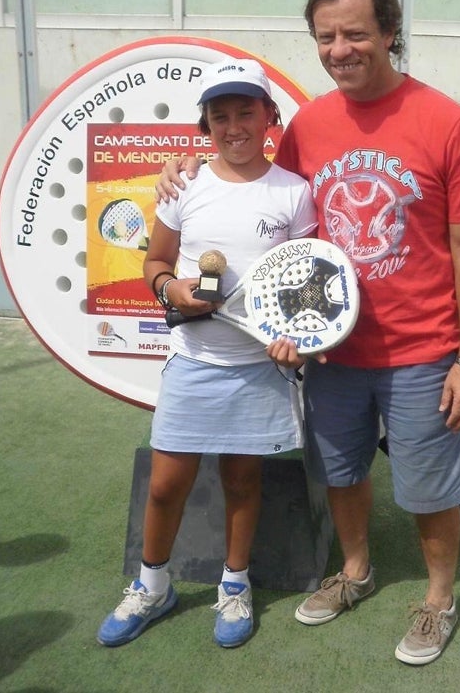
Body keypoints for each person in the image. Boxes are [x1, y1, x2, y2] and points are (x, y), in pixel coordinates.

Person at [156, 0, 460, 665]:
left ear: (389, 32)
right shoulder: (309, 123)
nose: (340, 48)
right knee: (341, 472)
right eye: (326, 36)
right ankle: (356, 571)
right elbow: (263, 195)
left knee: (428, 486)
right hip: (329, 347)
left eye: (355, 33)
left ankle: (436, 600)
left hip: (422, 347)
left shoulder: (445, 120)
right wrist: (186, 165)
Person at [96, 58, 317, 649]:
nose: (234, 125)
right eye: (220, 116)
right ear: (206, 126)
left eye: (246, 111)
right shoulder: (184, 184)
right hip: (195, 362)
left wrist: (295, 337)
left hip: (257, 368)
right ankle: (153, 585)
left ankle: (235, 584)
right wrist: (174, 292)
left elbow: (300, 285)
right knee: (166, 485)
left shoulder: (294, 193)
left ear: (269, 116)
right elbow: (154, 263)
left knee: (243, 481)